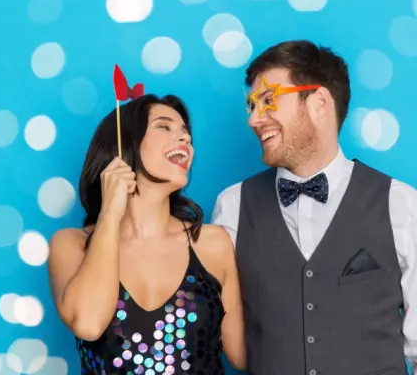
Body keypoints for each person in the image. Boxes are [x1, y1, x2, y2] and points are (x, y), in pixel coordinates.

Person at [212, 40, 417, 375]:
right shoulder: (232, 206)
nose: (254, 119)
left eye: (268, 100)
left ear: (320, 102)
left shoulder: (401, 203)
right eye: (251, 106)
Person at [48, 94, 246, 374]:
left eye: (185, 132)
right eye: (164, 126)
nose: (185, 138)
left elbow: (244, 356)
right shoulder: (72, 245)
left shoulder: (212, 243)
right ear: (123, 146)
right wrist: (110, 213)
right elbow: (89, 325)